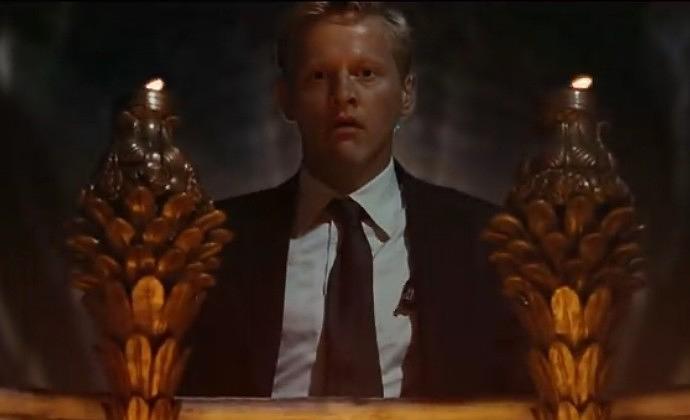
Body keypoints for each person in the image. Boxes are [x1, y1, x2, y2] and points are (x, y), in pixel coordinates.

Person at [181, 2, 530, 399]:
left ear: (406, 93)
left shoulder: (484, 242)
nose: (343, 95)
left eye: (366, 73)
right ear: (286, 98)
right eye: (318, 76)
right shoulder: (214, 243)